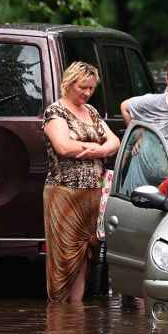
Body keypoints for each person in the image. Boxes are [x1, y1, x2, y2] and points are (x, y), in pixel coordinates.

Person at [42, 61, 120, 302]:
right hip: (65, 193)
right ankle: (59, 317)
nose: (87, 93)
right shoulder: (56, 112)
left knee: (89, 253)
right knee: (65, 257)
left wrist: (97, 150)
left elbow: (115, 141)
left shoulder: (92, 112)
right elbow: (63, 146)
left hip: (94, 194)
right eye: (82, 87)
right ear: (69, 83)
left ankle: (75, 316)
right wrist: (95, 146)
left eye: (91, 88)